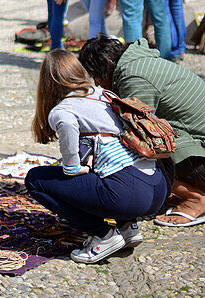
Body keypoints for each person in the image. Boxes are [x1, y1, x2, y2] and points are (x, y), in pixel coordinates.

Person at [26, 49, 167, 263]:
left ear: (47, 82)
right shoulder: (104, 93)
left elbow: (68, 132)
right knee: (105, 170)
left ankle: (103, 235)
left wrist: (72, 168)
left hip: (128, 194)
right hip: (157, 187)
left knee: (36, 180)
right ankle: (127, 226)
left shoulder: (62, 110)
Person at [79, 35, 205, 228]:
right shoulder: (138, 61)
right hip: (197, 146)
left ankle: (195, 197)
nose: (97, 83)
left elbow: (139, 132)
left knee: (133, 149)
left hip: (200, 157)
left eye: (96, 75)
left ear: (107, 64)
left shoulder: (133, 77)